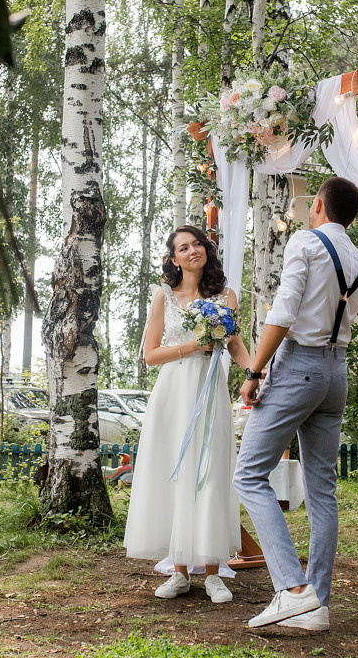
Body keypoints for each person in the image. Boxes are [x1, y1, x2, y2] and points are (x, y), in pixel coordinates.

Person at [233, 177, 358, 631]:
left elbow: (284, 312)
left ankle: (292, 590)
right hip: (337, 371)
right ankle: (318, 604)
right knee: (322, 490)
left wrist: (254, 370)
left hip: (300, 367)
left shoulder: (306, 242)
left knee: (249, 474)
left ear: (318, 205)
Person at [124, 225, 252, 604]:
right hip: (175, 390)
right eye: (183, 247)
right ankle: (179, 571)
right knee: (178, 472)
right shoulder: (163, 297)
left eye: (197, 243)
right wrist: (193, 344)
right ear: (174, 258)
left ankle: (213, 572)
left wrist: (253, 372)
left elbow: (235, 343)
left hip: (210, 389)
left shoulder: (226, 296)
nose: (193, 250)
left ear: (206, 249)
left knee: (211, 472)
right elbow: (149, 355)